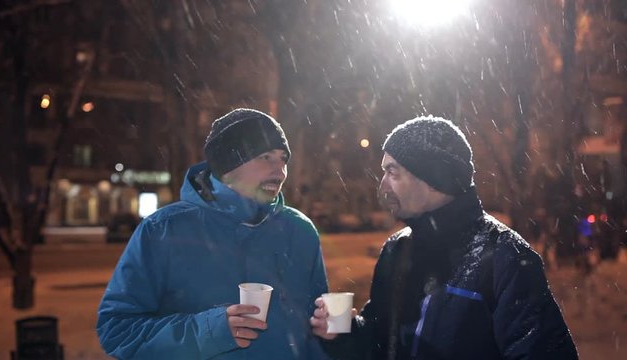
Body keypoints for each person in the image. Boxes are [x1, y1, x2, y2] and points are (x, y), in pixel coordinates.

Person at [311, 116, 578, 359]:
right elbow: (379, 343)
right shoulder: (397, 250)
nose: (382, 185)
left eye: (393, 172)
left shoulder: (505, 258)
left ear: (432, 179)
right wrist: (345, 333)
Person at [98, 108, 330, 359]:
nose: (280, 170)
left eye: (283, 158)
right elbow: (117, 329)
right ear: (228, 167)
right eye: (265, 157)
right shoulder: (164, 230)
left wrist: (332, 332)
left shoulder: (300, 230)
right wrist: (208, 332)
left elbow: (315, 333)